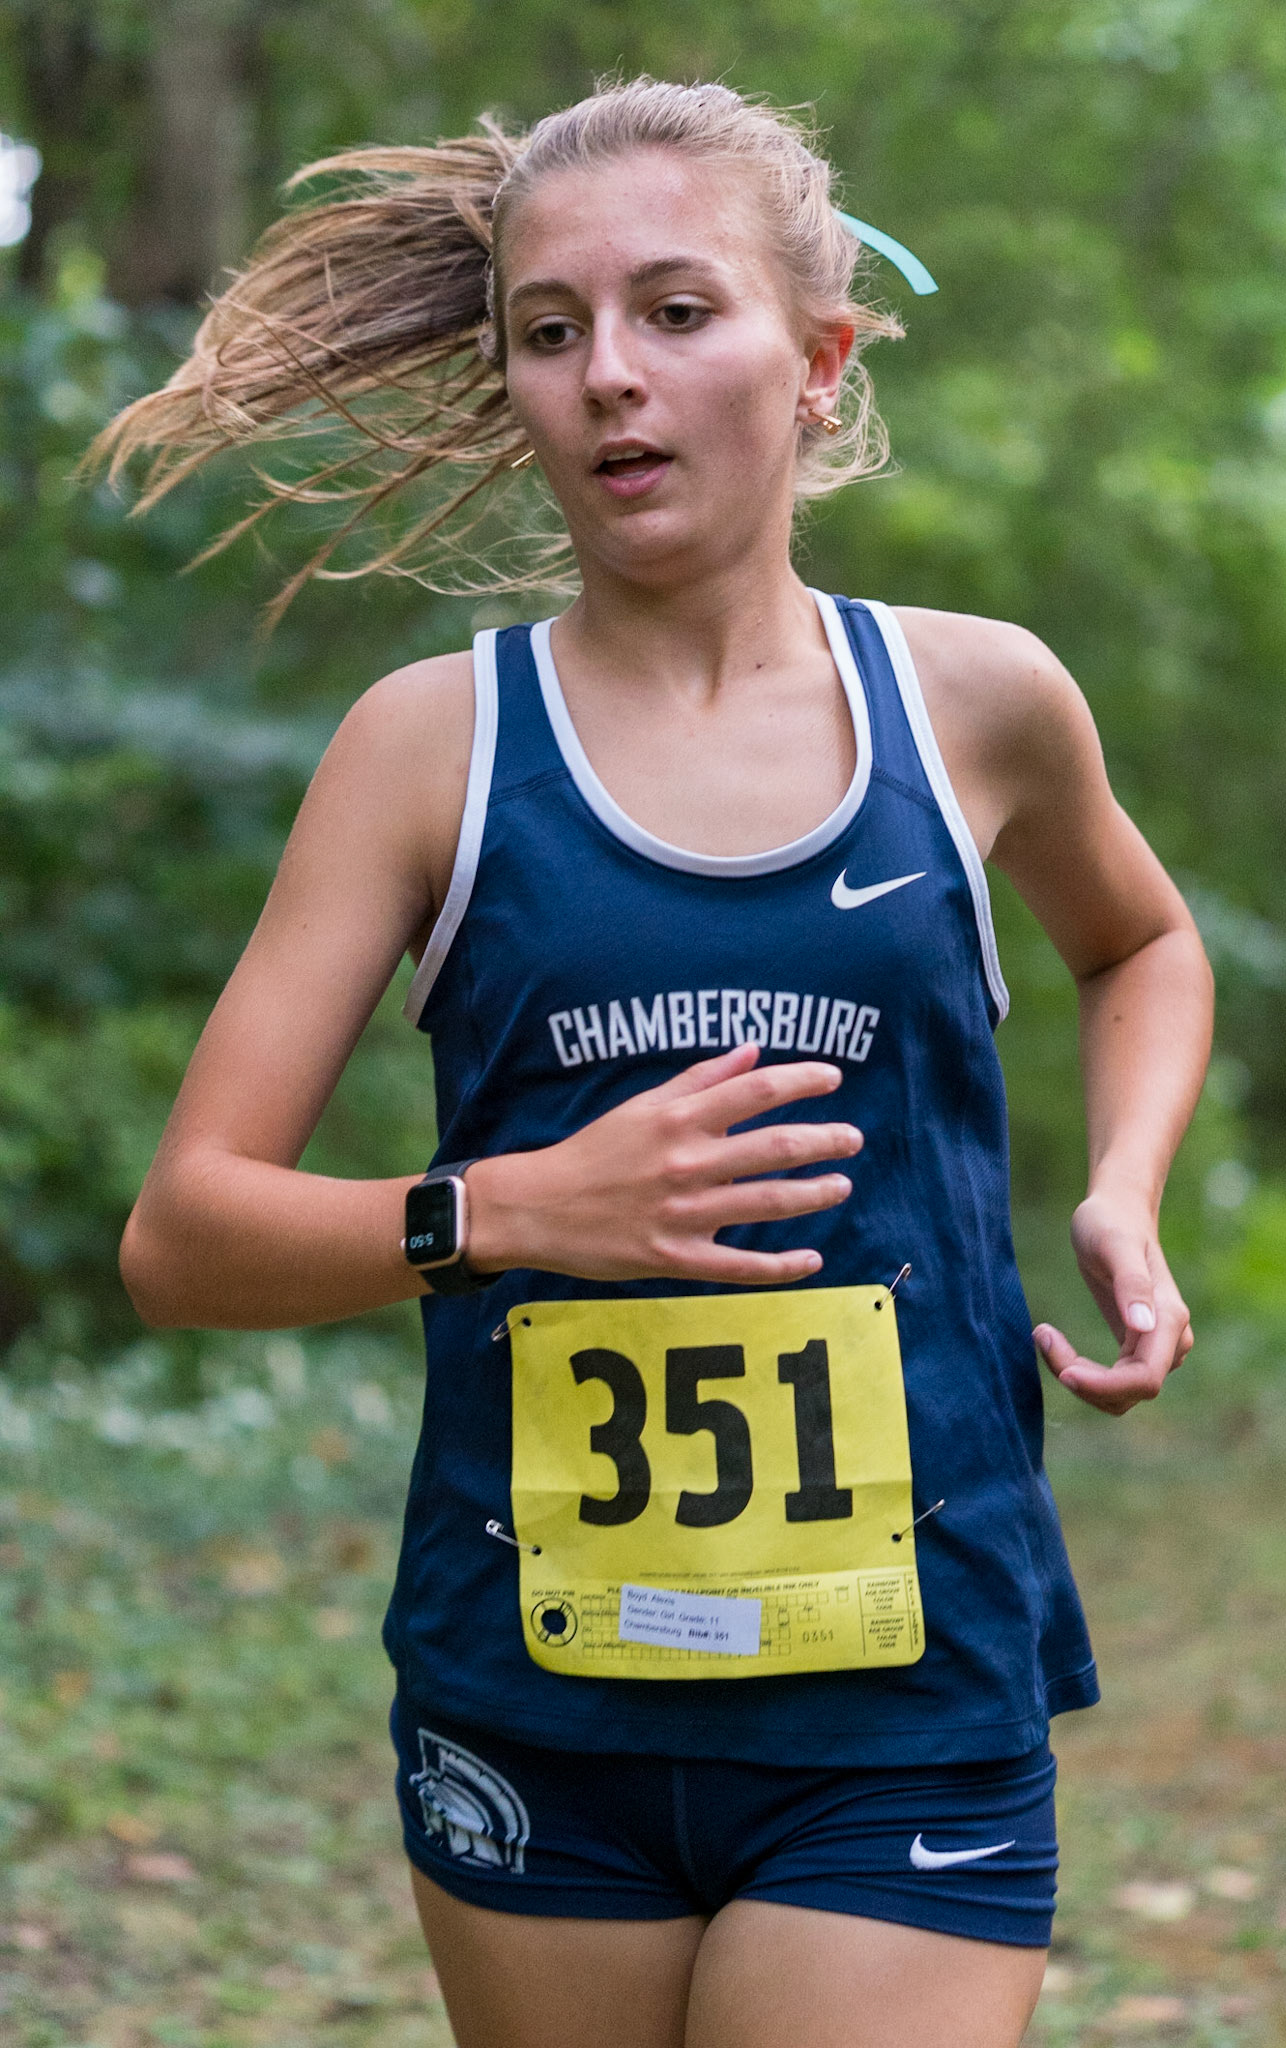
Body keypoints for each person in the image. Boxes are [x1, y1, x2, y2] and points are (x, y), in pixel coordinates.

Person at [93, 77, 1212, 2048]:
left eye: (676, 312)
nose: (608, 373)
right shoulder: (429, 751)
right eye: (550, 330)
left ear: (818, 360)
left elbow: (1138, 942)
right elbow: (185, 1238)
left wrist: (1121, 1191)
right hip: (539, 1695)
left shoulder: (973, 703)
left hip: (905, 1686)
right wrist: (511, 1209)